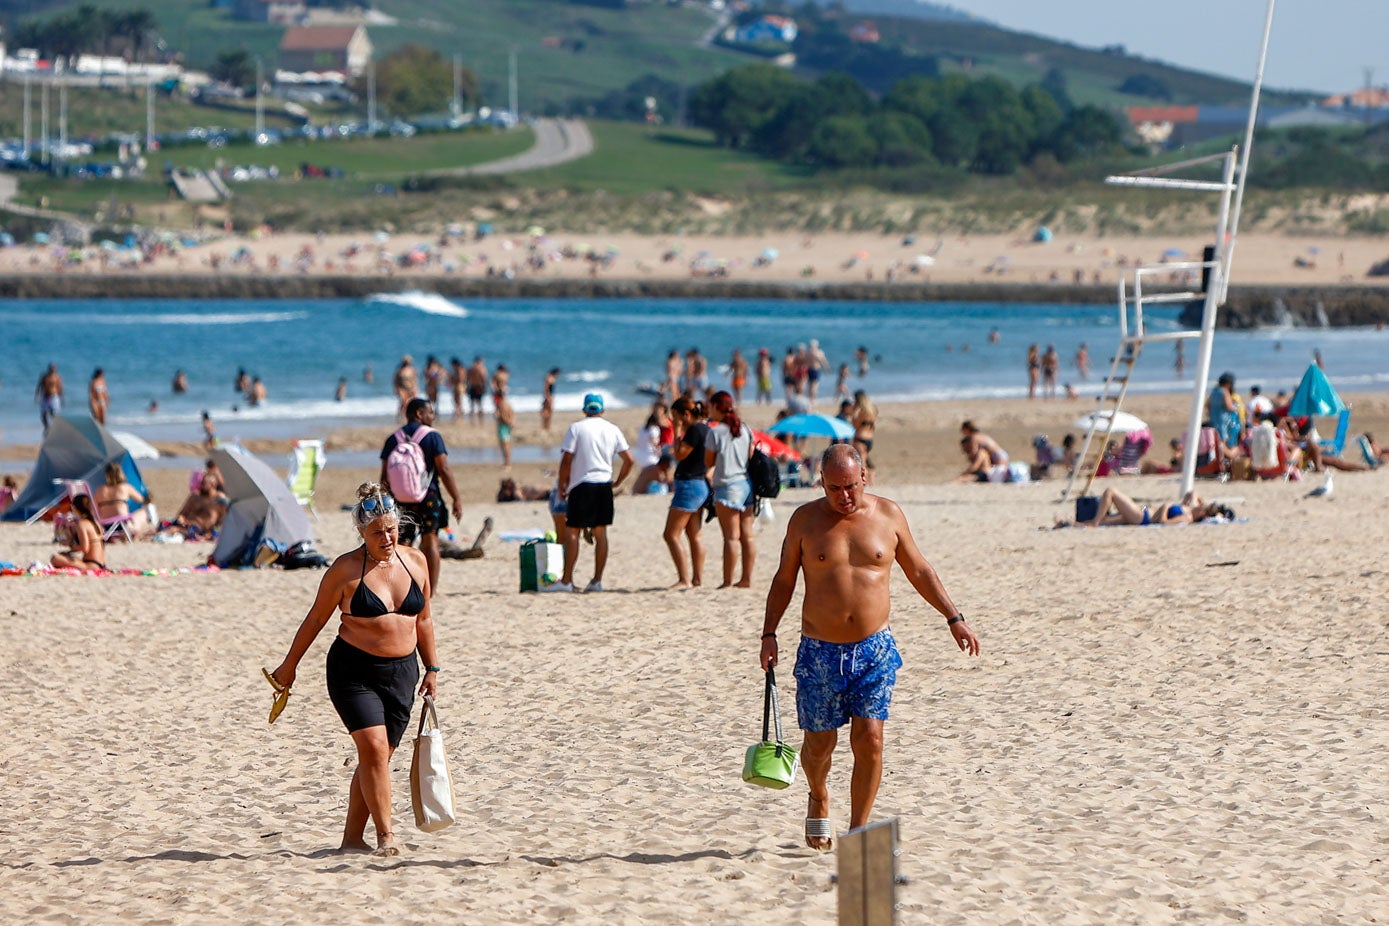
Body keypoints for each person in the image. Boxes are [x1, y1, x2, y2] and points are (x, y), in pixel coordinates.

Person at [760, 444, 979, 851]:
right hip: (819, 651)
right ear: (821, 484)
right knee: (819, 744)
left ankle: (859, 829)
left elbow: (919, 569)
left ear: (865, 478)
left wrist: (954, 617)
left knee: (871, 739)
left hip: (874, 647)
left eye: (850, 486)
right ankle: (819, 795)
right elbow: (784, 580)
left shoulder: (889, 515)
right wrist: (769, 633)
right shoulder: (805, 520)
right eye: (833, 489)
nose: (844, 496)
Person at [268, 483, 439, 858]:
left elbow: (423, 619)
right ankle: (386, 836)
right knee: (374, 750)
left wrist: (432, 667)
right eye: (376, 531)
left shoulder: (416, 561)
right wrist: (289, 665)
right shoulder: (344, 570)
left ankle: (350, 840)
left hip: (403, 675)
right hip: (353, 672)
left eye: (391, 529)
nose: (386, 537)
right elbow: (315, 619)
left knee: (377, 758)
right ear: (361, 532)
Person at [542, 393, 635, 593]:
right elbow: (630, 460)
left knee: (573, 532)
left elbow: (567, 460)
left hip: (581, 485)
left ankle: (567, 581)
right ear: (602, 410)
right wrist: (618, 481)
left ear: (584, 410)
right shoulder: (612, 429)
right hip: (603, 485)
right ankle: (597, 581)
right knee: (601, 534)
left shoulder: (576, 428)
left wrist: (562, 485)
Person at [378, 398, 464, 596]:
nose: (433, 417)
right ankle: (430, 591)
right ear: (419, 413)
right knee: (430, 540)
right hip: (428, 496)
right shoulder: (433, 436)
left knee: (402, 543)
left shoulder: (393, 439)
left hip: (400, 499)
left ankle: (400, 587)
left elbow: (384, 477)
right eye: (430, 413)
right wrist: (456, 498)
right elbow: (443, 469)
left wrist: (386, 503)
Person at [705, 390, 756, 589]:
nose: (710, 410)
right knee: (748, 536)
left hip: (726, 485)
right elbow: (750, 455)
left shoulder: (715, 432)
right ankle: (747, 579)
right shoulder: (744, 429)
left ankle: (727, 581)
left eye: (711, 406)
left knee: (731, 537)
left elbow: (708, 461)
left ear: (718, 407)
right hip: (746, 484)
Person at [663, 396, 710, 589]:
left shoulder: (694, 430)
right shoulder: (706, 429)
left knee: (671, 534)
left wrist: (676, 431)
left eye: (676, 416)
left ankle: (684, 579)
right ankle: (697, 579)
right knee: (694, 534)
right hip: (700, 483)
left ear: (686, 414)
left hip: (689, 485)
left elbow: (680, 454)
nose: (674, 420)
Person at [1070, 486, 1231, 527]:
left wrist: (1166, 507)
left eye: (1201, 507)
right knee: (1106, 521)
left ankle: (1095, 523)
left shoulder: (1187, 517)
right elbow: (1192, 493)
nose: (1197, 505)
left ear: (1202, 514)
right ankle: (1070, 524)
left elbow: (1162, 522)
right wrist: (1197, 501)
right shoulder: (1190, 508)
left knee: (1110, 492)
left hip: (1143, 517)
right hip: (1142, 513)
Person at [51, 494, 108, 572]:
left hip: (91, 565)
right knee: (63, 556)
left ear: (74, 507)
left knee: (55, 558)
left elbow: (85, 548)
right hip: (100, 563)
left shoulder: (82, 524)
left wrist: (69, 543)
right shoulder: (95, 522)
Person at [94, 460, 148, 534]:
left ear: (106, 475)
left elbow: (94, 508)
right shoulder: (125, 487)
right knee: (144, 512)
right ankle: (135, 535)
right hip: (123, 524)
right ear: (120, 473)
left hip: (105, 525)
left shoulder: (100, 490)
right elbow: (141, 499)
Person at [851, 390, 877, 483]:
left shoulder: (859, 411)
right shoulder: (872, 410)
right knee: (866, 461)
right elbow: (873, 426)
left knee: (862, 464)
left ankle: (864, 483)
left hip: (860, 439)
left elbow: (855, 425)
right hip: (869, 439)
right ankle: (871, 482)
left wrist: (853, 413)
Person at [35, 363, 63, 432]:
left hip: (54, 397)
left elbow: (60, 388)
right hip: (45, 397)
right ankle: (46, 427)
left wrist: (62, 399)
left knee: (53, 413)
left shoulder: (57, 377)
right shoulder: (44, 377)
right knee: (43, 414)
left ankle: (55, 427)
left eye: (54, 368)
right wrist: (37, 395)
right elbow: (39, 386)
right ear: (49, 368)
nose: (52, 370)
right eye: (51, 368)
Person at [495, 390, 516, 469]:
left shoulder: (501, 404)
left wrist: (508, 423)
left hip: (503, 426)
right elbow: (512, 413)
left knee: (505, 446)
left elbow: (502, 416)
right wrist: (512, 422)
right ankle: (506, 462)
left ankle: (508, 463)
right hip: (506, 426)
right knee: (506, 445)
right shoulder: (507, 404)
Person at [465, 357, 488, 423]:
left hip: (472, 386)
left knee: (472, 405)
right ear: (479, 361)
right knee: (480, 404)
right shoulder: (481, 368)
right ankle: (481, 420)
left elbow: (467, 378)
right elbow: (483, 378)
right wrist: (484, 387)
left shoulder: (471, 368)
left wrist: (467, 387)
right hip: (479, 387)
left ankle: (472, 420)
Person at [541, 367, 560, 434]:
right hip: (548, 396)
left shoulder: (551, 378)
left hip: (550, 396)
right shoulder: (549, 378)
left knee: (549, 412)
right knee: (546, 412)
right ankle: (545, 426)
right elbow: (546, 389)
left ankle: (547, 426)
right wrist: (548, 397)